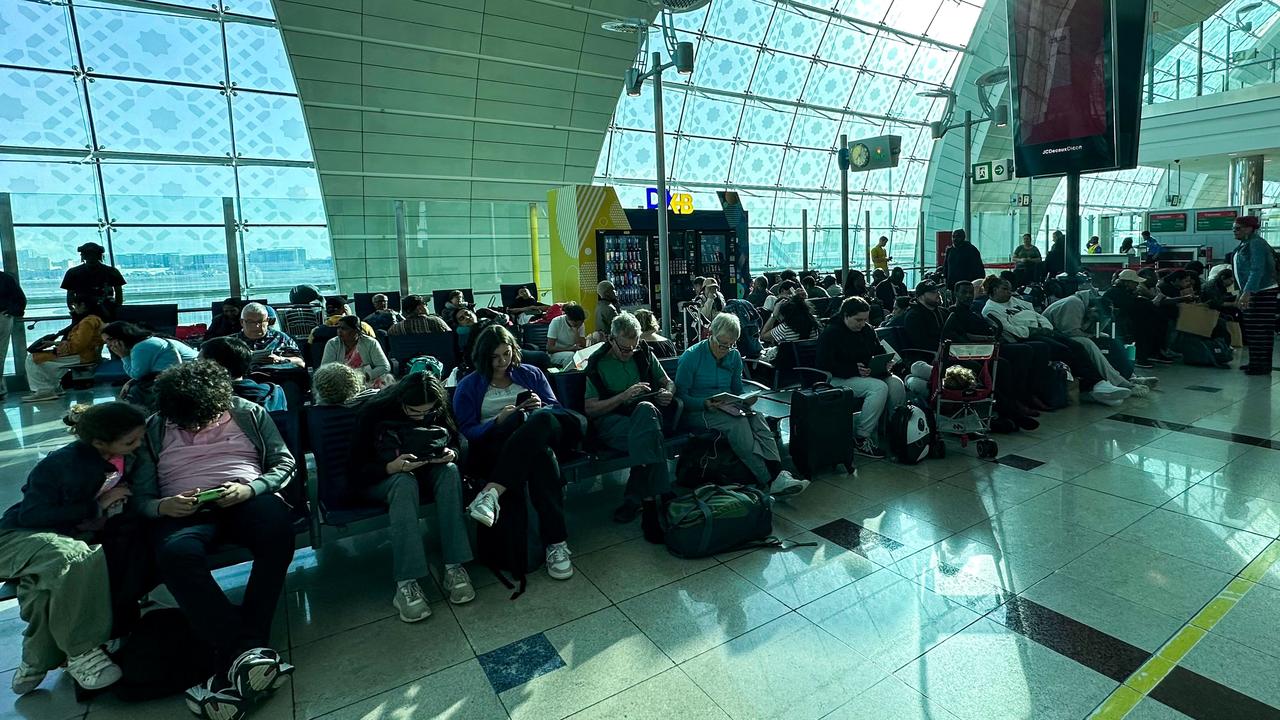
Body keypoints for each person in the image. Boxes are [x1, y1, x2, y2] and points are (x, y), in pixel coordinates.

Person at [130, 361, 296, 713]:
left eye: (200, 418)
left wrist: (251, 489)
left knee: (277, 529)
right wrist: (163, 507)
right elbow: (141, 498)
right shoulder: (154, 429)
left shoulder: (249, 413)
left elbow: (284, 464)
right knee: (176, 555)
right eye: (186, 421)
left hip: (245, 495)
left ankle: (238, 653)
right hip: (183, 507)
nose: (194, 425)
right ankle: (248, 652)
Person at [0, 402, 152, 695]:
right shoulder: (61, 464)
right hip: (16, 537)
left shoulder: (121, 458)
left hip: (59, 541)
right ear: (99, 442)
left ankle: (37, 658)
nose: (138, 445)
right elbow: (32, 515)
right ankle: (82, 650)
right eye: (130, 441)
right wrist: (97, 507)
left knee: (44, 587)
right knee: (76, 559)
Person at [453, 325, 576, 580]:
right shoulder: (469, 385)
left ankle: (491, 494)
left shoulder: (530, 373)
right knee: (542, 459)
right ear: (483, 356)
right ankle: (557, 543)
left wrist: (538, 407)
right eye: (495, 357)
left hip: (539, 431)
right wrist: (498, 421)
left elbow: (555, 408)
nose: (502, 362)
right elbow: (467, 430)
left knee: (539, 421)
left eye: (506, 354)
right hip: (496, 446)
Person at [350, 372, 475, 620]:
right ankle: (406, 582)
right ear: (401, 401)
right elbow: (354, 470)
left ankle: (454, 567)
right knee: (403, 483)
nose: (421, 417)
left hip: (424, 471)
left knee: (450, 472)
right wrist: (391, 467)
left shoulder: (437, 407)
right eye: (414, 412)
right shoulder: (374, 412)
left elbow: (459, 439)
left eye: (426, 412)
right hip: (383, 478)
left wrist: (453, 453)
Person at [675, 313, 806, 494]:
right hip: (698, 411)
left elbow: (737, 390)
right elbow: (681, 396)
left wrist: (745, 400)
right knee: (739, 424)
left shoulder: (733, 356)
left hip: (726, 407)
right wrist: (704, 403)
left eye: (731, 344)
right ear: (710, 333)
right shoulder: (692, 356)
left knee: (758, 418)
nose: (725, 348)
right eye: (722, 343)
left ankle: (777, 474)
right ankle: (768, 479)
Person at [583, 313, 676, 526]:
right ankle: (661, 491)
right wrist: (623, 396)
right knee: (650, 434)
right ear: (611, 339)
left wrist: (667, 392)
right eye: (624, 349)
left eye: (633, 348)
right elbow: (590, 409)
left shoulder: (642, 352)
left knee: (645, 413)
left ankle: (642, 501)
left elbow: (668, 382)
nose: (629, 353)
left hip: (645, 416)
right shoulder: (597, 363)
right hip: (611, 422)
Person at [982, 277, 1130, 406]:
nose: (1009, 292)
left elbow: (1038, 316)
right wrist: (1035, 330)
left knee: (1075, 345)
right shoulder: (991, 310)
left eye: (1010, 289)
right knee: (1062, 349)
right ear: (994, 290)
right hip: (1028, 336)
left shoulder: (1017, 301)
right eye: (1004, 289)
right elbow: (1010, 330)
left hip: (1044, 330)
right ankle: (1095, 384)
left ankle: (1099, 384)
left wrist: (1046, 328)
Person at [815, 297, 907, 458]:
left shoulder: (867, 330)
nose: (862, 324)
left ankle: (896, 427)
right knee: (879, 388)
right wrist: (852, 369)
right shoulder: (830, 333)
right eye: (858, 320)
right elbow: (823, 364)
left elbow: (878, 350)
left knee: (896, 383)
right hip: (837, 378)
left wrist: (885, 361)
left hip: (866, 374)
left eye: (865, 320)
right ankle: (861, 437)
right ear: (845, 315)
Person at [943, 281, 1042, 426]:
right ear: (955, 294)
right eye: (964, 292)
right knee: (1005, 363)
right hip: (972, 351)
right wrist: (984, 339)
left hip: (988, 346)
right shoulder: (953, 313)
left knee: (1027, 351)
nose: (968, 296)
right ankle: (1011, 408)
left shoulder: (973, 312)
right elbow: (960, 337)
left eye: (971, 292)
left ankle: (1020, 398)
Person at [1044, 290, 1155, 396]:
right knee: (1088, 343)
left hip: (1063, 334)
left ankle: (1130, 376)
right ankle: (1121, 383)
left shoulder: (1089, 304)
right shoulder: (1074, 303)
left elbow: (1089, 330)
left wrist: (1101, 322)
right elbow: (1070, 331)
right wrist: (1092, 332)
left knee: (1109, 340)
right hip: (1053, 336)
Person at [23, 296, 107, 403]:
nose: (73, 309)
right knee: (44, 360)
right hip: (87, 354)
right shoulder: (94, 319)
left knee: (32, 359)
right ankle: (53, 388)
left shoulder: (87, 322)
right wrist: (55, 344)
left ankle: (45, 390)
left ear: (83, 306)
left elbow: (78, 345)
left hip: (81, 356)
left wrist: (55, 346)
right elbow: (80, 343)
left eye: (75, 306)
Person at [101, 321, 197, 408]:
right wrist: (131, 381)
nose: (108, 345)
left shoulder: (141, 347)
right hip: (190, 369)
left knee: (136, 391)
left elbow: (137, 375)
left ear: (121, 336)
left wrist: (123, 356)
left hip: (189, 374)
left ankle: (146, 419)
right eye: (106, 342)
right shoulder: (148, 340)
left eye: (110, 340)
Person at [1104, 269, 1177, 369]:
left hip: (1128, 319)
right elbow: (1130, 307)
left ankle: (1151, 352)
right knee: (1144, 328)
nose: (1137, 285)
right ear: (1128, 282)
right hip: (1120, 322)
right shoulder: (1116, 292)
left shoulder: (1124, 291)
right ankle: (1141, 357)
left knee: (1157, 320)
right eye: (1135, 283)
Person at [1232, 215, 1276, 375]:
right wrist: (1241, 292)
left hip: (1262, 291)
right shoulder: (1246, 243)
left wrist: (1247, 292)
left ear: (1250, 228)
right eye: (1234, 228)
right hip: (1255, 290)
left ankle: (1261, 366)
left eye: (1238, 228)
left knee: (1260, 330)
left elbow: (1256, 269)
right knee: (1253, 330)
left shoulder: (1256, 243)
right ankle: (1256, 362)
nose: (1234, 231)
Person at [199, 336, 287, 411]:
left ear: (214, 366)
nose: (195, 367)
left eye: (199, 362)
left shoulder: (213, 404)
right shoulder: (275, 392)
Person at [320, 315, 394, 389]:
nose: (339, 331)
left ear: (356, 330)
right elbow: (325, 369)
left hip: (367, 380)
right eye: (338, 328)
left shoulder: (370, 343)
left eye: (343, 328)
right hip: (342, 382)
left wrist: (365, 377)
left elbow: (385, 366)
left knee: (386, 379)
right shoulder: (332, 344)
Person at [236, 302, 304, 370]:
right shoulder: (231, 342)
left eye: (260, 321)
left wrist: (280, 359)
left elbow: (301, 362)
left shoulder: (281, 338)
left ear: (267, 321)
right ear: (242, 322)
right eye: (250, 322)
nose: (256, 326)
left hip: (276, 377)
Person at [60, 241, 125, 312]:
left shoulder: (73, 272)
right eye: (88, 254)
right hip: (85, 310)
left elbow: (119, 296)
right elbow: (70, 297)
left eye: (93, 254)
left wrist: (74, 311)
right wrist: (74, 311)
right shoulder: (112, 271)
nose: (91, 257)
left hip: (103, 309)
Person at [0, 269, 25, 400]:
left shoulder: (6, 278)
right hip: (3, 316)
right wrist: (11, 311)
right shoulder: (6, 278)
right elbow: (20, 298)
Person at [546, 303, 588, 368]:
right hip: (555, 354)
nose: (580, 326)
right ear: (569, 319)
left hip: (573, 351)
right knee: (571, 356)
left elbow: (582, 346)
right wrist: (570, 348)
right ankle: (569, 377)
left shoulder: (580, 324)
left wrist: (576, 331)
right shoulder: (556, 322)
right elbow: (550, 348)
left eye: (581, 323)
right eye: (576, 325)